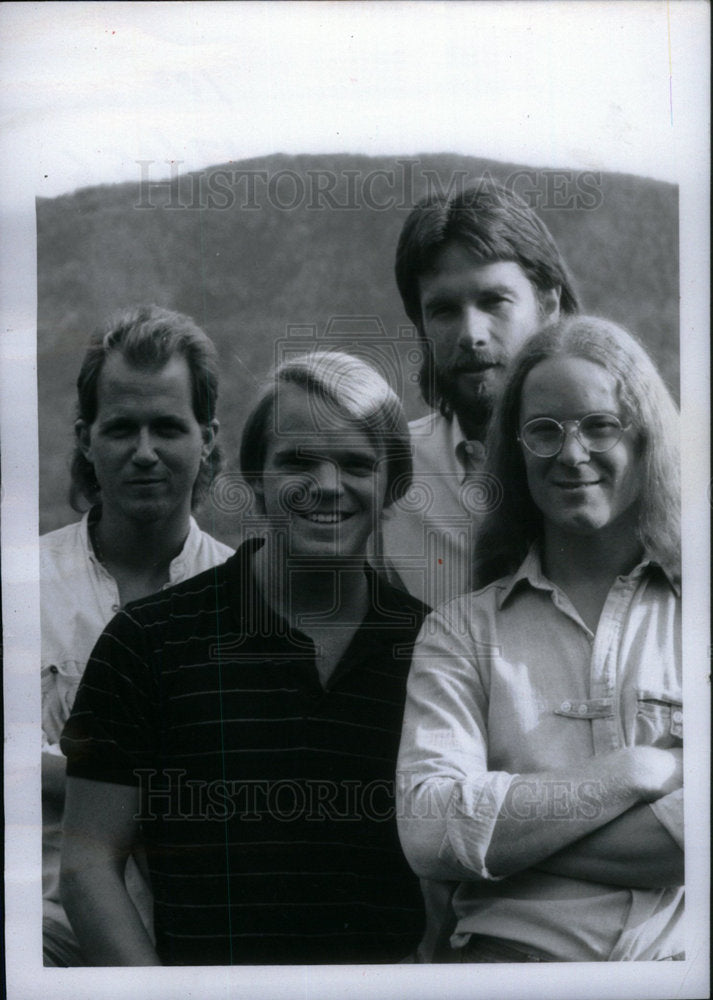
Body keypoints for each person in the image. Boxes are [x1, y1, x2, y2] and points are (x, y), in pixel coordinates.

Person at [60, 350, 428, 966]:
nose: (328, 485)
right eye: (297, 461)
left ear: (392, 487)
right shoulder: (146, 641)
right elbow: (88, 865)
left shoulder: (433, 650)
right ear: (254, 477)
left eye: (357, 464)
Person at [397, 315, 683, 962]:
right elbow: (427, 830)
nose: (571, 453)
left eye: (599, 425)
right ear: (514, 452)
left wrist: (503, 846)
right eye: (543, 431)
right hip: (508, 974)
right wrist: (642, 769)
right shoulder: (457, 634)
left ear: (646, 438)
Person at [42, 305, 234, 966]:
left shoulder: (249, 598)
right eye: (122, 427)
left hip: (201, 941)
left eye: (168, 427)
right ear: (86, 439)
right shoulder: (21, 588)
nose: (144, 452)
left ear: (208, 438)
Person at [379, 178, 579, 607]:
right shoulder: (390, 474)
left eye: (494, 301)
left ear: (548, 305)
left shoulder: (611, 462)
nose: (472, 335)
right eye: (444, 310)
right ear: (422, 326)